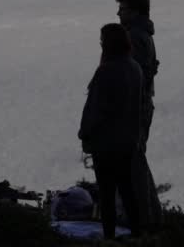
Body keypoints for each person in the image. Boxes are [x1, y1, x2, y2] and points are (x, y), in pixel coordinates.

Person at [78, 23, 145, 240]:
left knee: (106, 193)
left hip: (106, 143)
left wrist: (84, 133)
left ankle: (109, 237)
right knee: (127, 189)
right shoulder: (135, 68)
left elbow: (96, 108)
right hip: (128, 141)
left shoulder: (106, 70)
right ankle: (138, 234)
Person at [116, 0, 163, 229]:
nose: (118, 14)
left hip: (133, 111)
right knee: (136, 163)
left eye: (122, 9)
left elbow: (133, 79)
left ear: (134, 11)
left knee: (133, 166)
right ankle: (149, 219)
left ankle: (144, 222)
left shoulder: (134, 37)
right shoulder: (144, 35)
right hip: (140, 108)